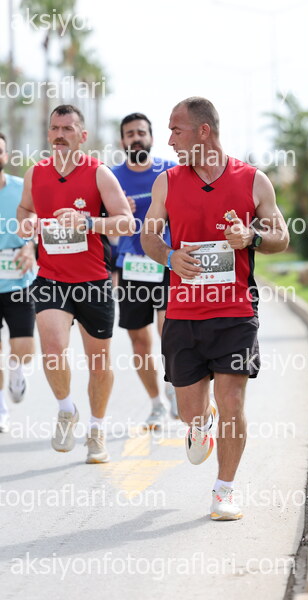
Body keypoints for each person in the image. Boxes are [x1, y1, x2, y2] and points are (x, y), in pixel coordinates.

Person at [141, 97, 289, 520]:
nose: (170, 141)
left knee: (232, 402)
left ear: (203, 131)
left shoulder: (253, 180)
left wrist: (252, 237)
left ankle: (224, 490)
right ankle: (198, 422)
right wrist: (170, 257)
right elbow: (149, 237)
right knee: (191, 411)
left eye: (176, 130)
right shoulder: (167, 182)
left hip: (235, 312)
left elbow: (280, 236)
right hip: (183, 313)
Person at [17, 104, 134, 463]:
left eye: (68, 129)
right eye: (55, 128)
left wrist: (87, 222)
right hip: (51, 278)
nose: (60, 135)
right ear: (48, 133)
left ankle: (96, 429)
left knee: (98, 363)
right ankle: (67, 410)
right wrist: (27, 224)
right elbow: (25, 210)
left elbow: (126, 222)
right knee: (53, 351)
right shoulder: (35, 173)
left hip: (93, 281)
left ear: (82, 136)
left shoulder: (99, 173)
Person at [112, 112, 177, 428]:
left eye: (141, 132)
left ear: (151, 137)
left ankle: (175, 385)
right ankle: (156, 404)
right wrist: (119, 213)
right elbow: (104, 227)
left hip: (166, 261)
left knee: (170, 332)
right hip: (131, 267)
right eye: (130, 134)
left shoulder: (170, 171)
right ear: (122, 141)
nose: (136, 138)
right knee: (139, 341)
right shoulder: (111, 177)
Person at [0, 133, 36, 433]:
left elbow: (36, 221)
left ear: (6, 156)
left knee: (23, 348)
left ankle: (15, 370)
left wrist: (29, 246)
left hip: (18, 281)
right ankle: (1, 407)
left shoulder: (21, 188)